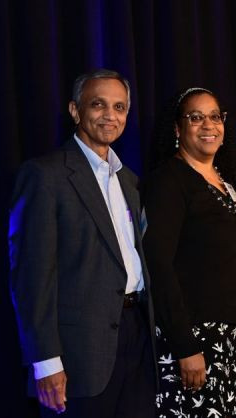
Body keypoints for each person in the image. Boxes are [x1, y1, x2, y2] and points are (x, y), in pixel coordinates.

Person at [8, 69, 156, 417]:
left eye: (119, 107)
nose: (110, 115)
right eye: (98, 104)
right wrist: (45, 362)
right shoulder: (45, 175)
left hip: (136, 341)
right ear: (75, 110)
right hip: (79, 354)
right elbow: (31, 277)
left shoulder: (130, 181)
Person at [143, 87, 236, 416]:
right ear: (178, 129)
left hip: (230, 339)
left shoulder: (224, 181)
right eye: (196, 117)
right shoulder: (169, 180)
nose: (208, 124)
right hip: (194, 340)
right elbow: (158, 265)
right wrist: (185, 346)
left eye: (215, 116)